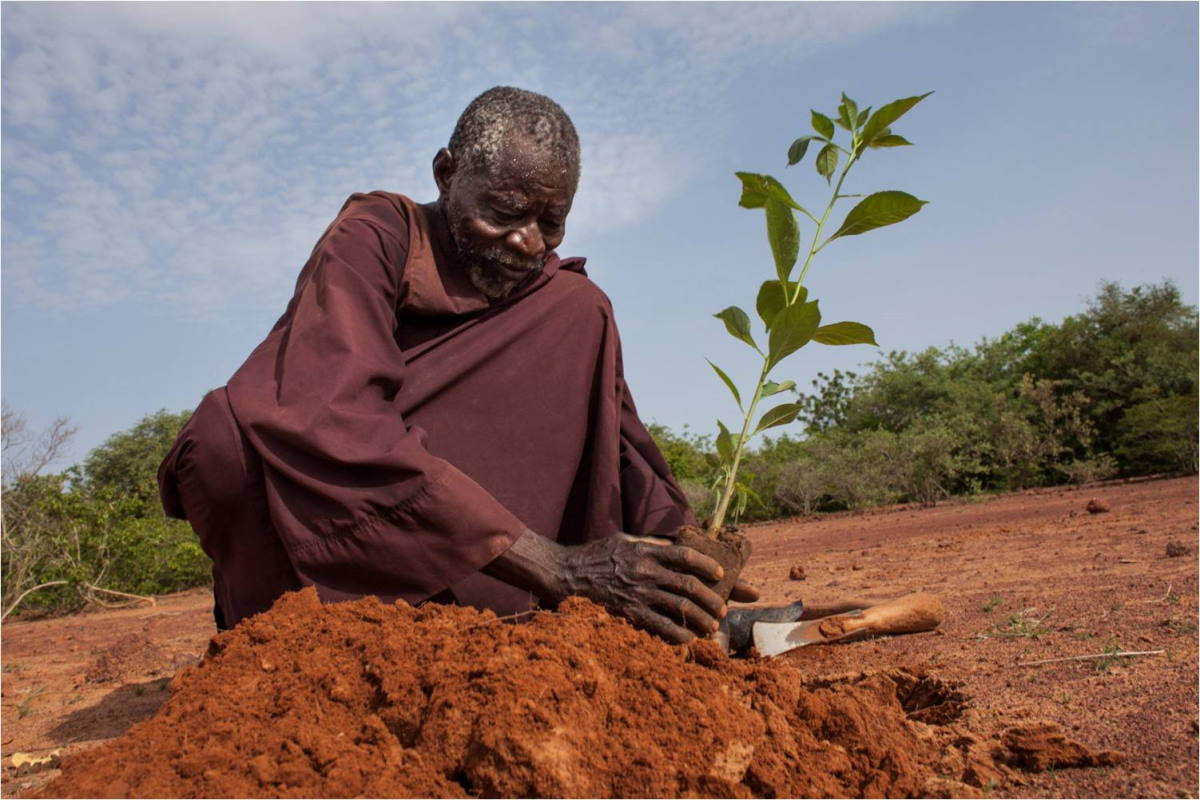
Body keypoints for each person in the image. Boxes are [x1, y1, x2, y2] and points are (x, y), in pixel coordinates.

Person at [158, 86, 757, 644]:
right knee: (224, 438)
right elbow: (331, 413)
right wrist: (556, 566)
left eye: (551, 222)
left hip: (468, 545)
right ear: (447, 175)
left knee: (579, 307)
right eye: (504, 211)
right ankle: (288, 638)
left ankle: (564, 620)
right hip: (332, 535)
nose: (527, 242)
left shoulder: (562, 303)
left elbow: (619, 435)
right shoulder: (376, 237)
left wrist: (684, 559)